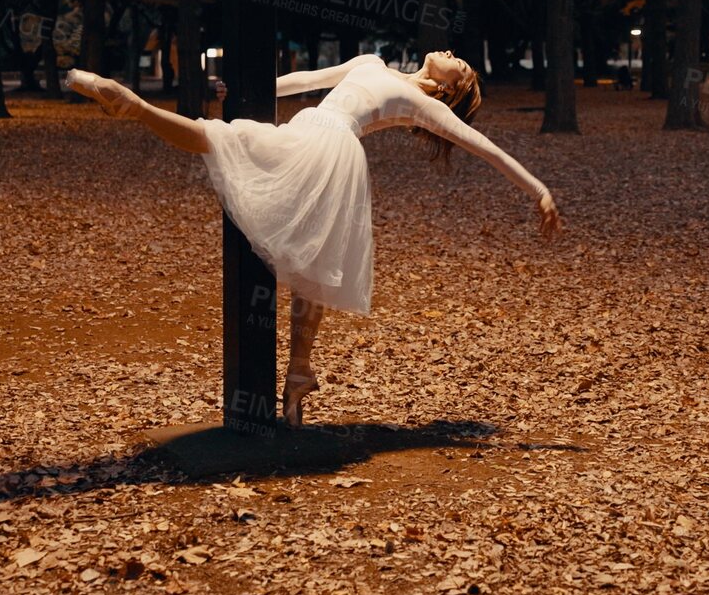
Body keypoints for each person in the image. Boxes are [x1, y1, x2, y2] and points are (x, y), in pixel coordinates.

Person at [65, 51, 563, 426]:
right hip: (311, 129)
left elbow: (485, 149)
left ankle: (299, 372)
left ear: (448, 91)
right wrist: (248, 88)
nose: (454, 56)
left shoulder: (422, 102)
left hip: (335, 149)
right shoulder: (373, 60)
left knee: (315, 265)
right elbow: (310, 80)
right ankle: (131, 104)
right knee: (234, 141)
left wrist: (538, 188)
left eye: (463, 67)